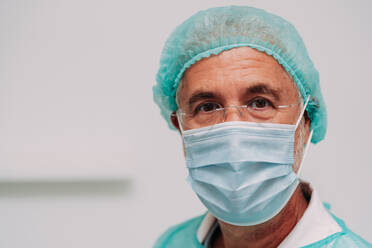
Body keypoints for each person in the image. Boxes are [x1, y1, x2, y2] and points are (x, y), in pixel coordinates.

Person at [152, 6, 372, 248]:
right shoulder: (172, 242)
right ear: (181, 128)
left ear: (306, 121)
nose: (233, 131)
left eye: (260, 103)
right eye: (208, 107)